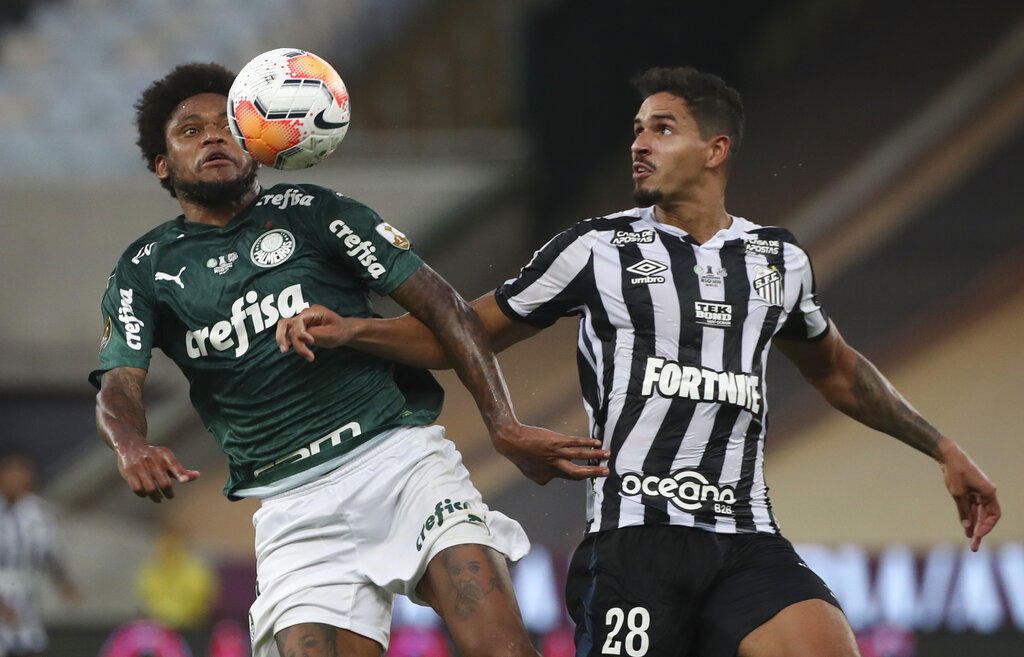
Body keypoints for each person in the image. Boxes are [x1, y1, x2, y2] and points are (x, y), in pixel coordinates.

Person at [273, 66, 1002, 657]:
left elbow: (837, 368)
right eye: (636, 130)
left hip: (746, 539)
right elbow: (461, 331)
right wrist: (355, 330)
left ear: (715, 149)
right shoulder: (596, 248)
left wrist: (943, 448)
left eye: (662, 129)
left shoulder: (778, 259)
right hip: (635, 545)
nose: (639, 144)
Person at [90, 63, 609, 657]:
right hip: (292, 510)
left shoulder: (314, 211)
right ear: (163, 164)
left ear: (256, 142)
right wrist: (130, 444)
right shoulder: (145, 270)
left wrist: (503, 424)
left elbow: (446, 308)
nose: (213, 136)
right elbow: (118, 384)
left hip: (400, 465)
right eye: (191, 130)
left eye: (228, 125)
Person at [0, 450, 80, 657]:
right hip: (2, 587)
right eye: (11, 473)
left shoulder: (37, 511)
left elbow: (50, 552)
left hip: (26, 593)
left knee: (29, 645)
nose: (18, 479)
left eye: (23, 472)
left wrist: (63, 582)